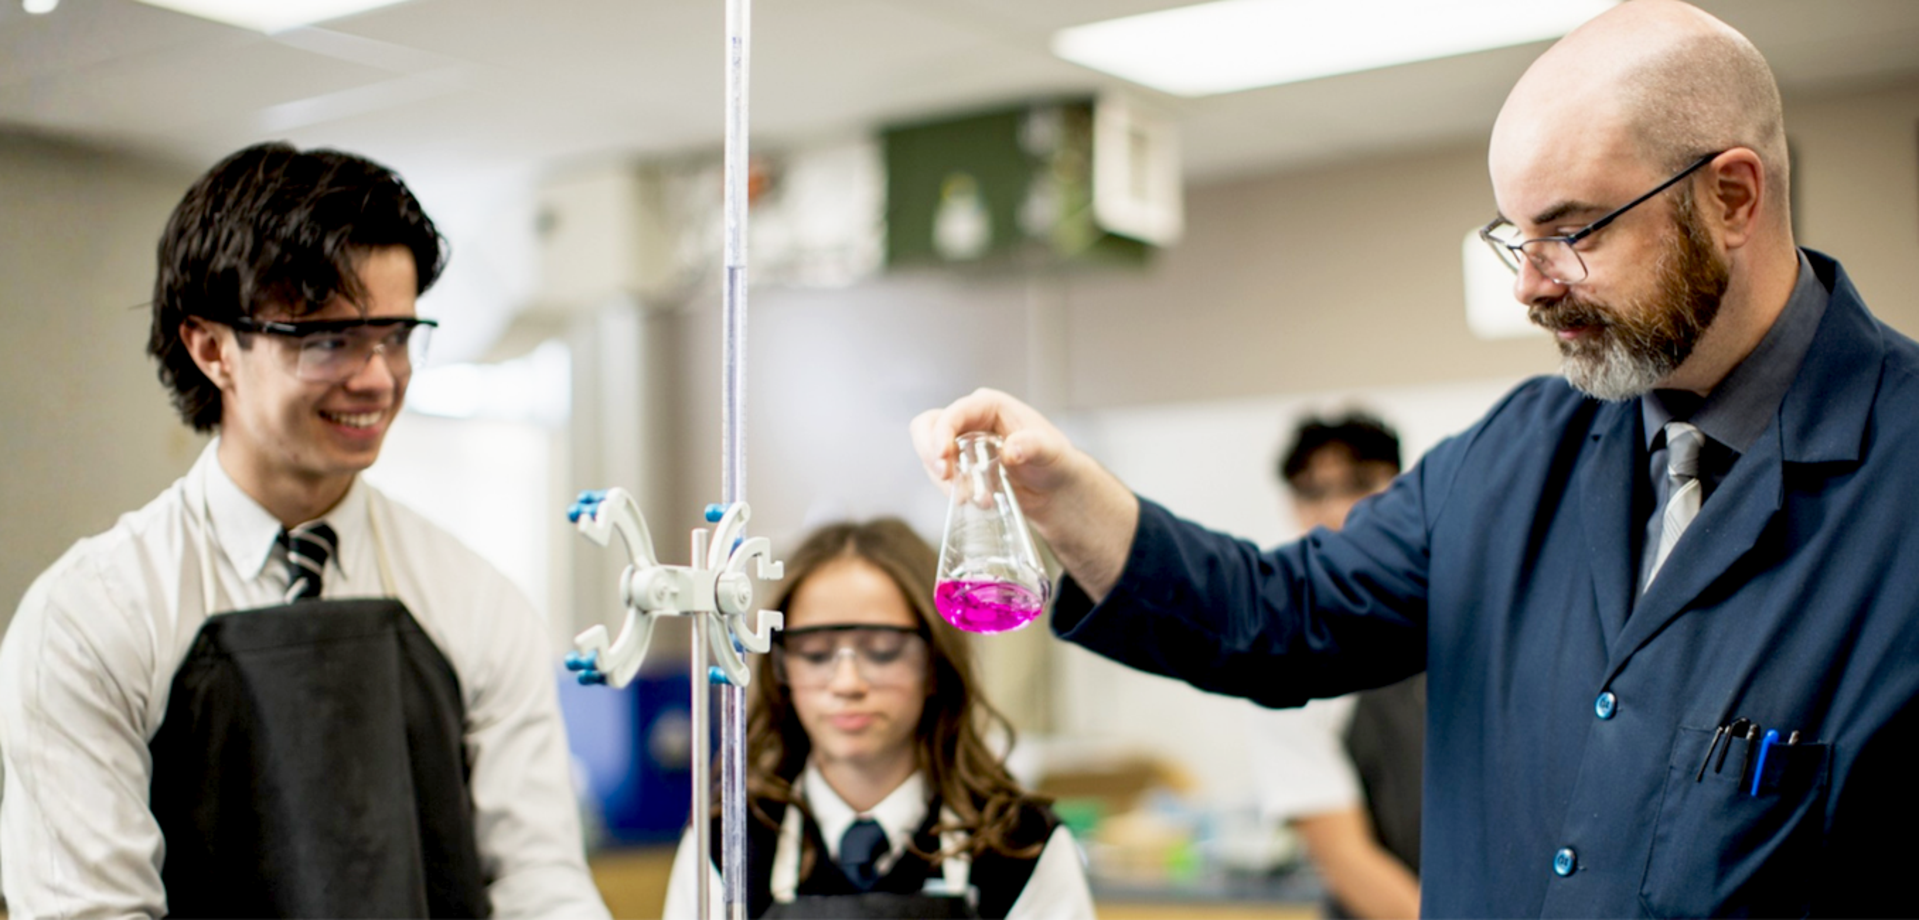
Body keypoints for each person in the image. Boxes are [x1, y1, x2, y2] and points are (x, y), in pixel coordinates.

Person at [911, 2, 1919, 915]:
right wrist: (1062, 488)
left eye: (1572, 231)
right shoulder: (1514, 456)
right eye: (1514, 236)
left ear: (1731, 197)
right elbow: (1272, 617)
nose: (1529, 285)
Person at [0, 143, 609, 918]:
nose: (378, 378)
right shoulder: (90, 619)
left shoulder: (474, 600)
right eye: (328, 340)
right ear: (212, 348)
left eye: (396, 335)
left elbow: (539, 885)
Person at [661, 519, 1095, 920]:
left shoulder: (1021, 846)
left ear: (935, 664)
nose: (847, 683)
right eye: (816, 653)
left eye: (883, 651)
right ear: (781, 668)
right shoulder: (727, 844)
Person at [1246, 414, 1422, 920]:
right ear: (1293, 506)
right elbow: (1347, 860)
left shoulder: (1459, 609)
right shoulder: (1285, 662)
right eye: (1313, 492)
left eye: (1359, 484)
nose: (1337, 509)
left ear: (1402, 488)